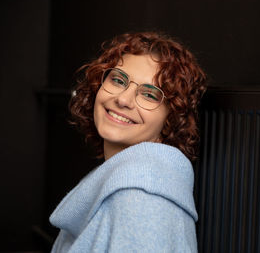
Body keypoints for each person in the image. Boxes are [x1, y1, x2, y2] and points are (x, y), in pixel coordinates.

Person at [49, 32, 207, 252]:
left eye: (149, 95)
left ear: (172, 119)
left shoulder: (142, 200)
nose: (123, 100)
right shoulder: (126, 180)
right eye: (118, 80)